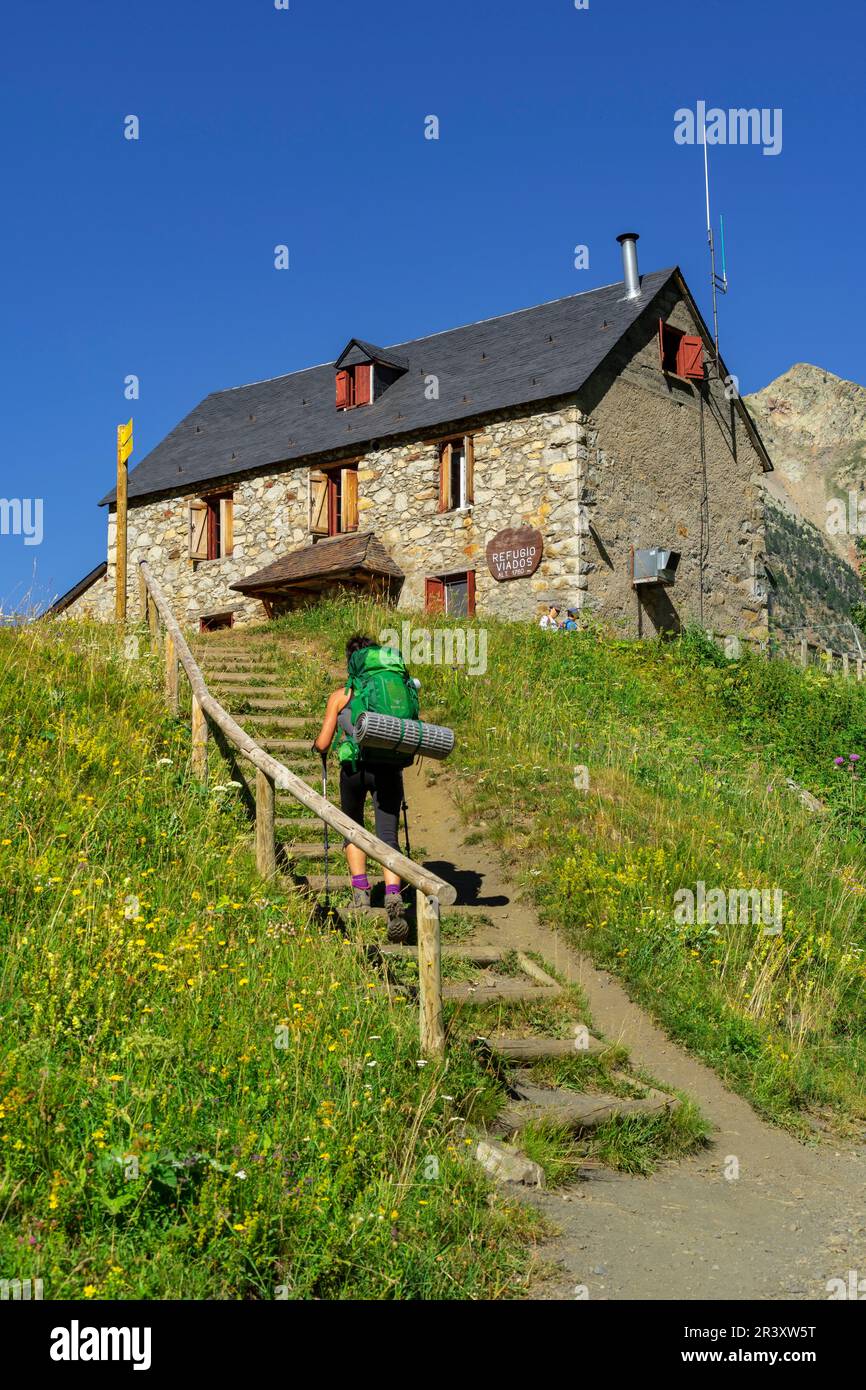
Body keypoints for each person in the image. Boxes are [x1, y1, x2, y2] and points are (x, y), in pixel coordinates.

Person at [313, 635, 410, 942]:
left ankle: (361, 892)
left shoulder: (341, 696)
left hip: (354, 769)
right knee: (387, 835)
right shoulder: (392, 691)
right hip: (389, 769)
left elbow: (324, 742)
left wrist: (317, 746)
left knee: (352, 828)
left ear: (351, 662)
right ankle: (393, 894)